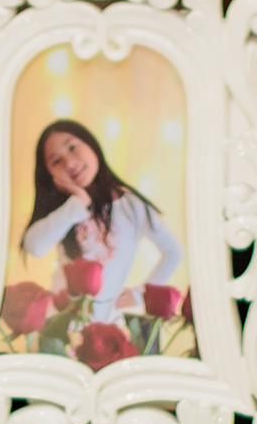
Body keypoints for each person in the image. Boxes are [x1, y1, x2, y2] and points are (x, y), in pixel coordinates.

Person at [22, 117, 183, 329]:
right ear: (50, 174)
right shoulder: (65, 211)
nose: (70, 163)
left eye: (72, 147)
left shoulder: (131, 206)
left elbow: (174, 251)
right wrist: (78, 203)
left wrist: (139, 295)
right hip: (61, 325)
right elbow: (34, 247)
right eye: (56, 161)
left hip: (107, 327)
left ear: (91, 145)